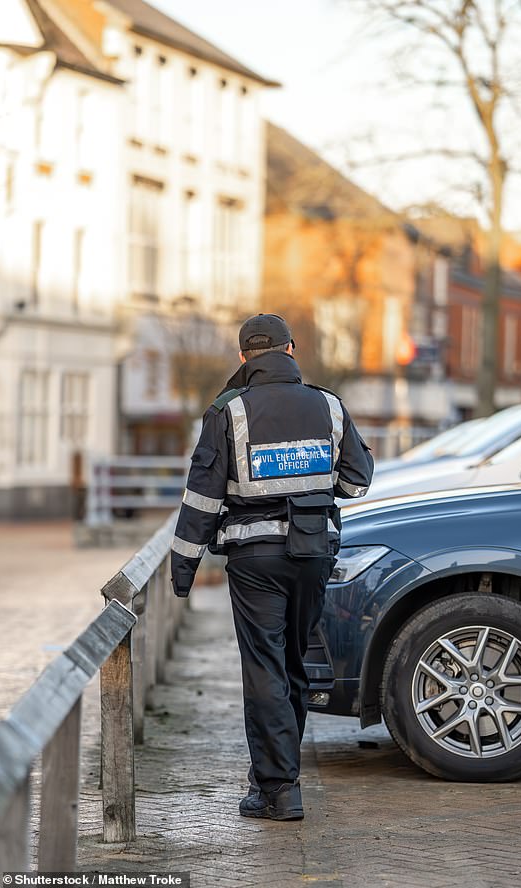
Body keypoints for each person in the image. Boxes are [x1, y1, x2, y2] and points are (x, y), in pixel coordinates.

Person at [170, 313, 374, 821]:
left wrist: (183, 569)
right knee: (294, 664)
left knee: (264, 668)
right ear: (291, 348)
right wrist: (311, 491)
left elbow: (202, 498)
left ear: (244, 357)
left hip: (253, 559)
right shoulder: (329, 405)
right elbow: (356, 482)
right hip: (312, 554)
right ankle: (278, 771)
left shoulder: (227, 411)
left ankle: (278, 787)